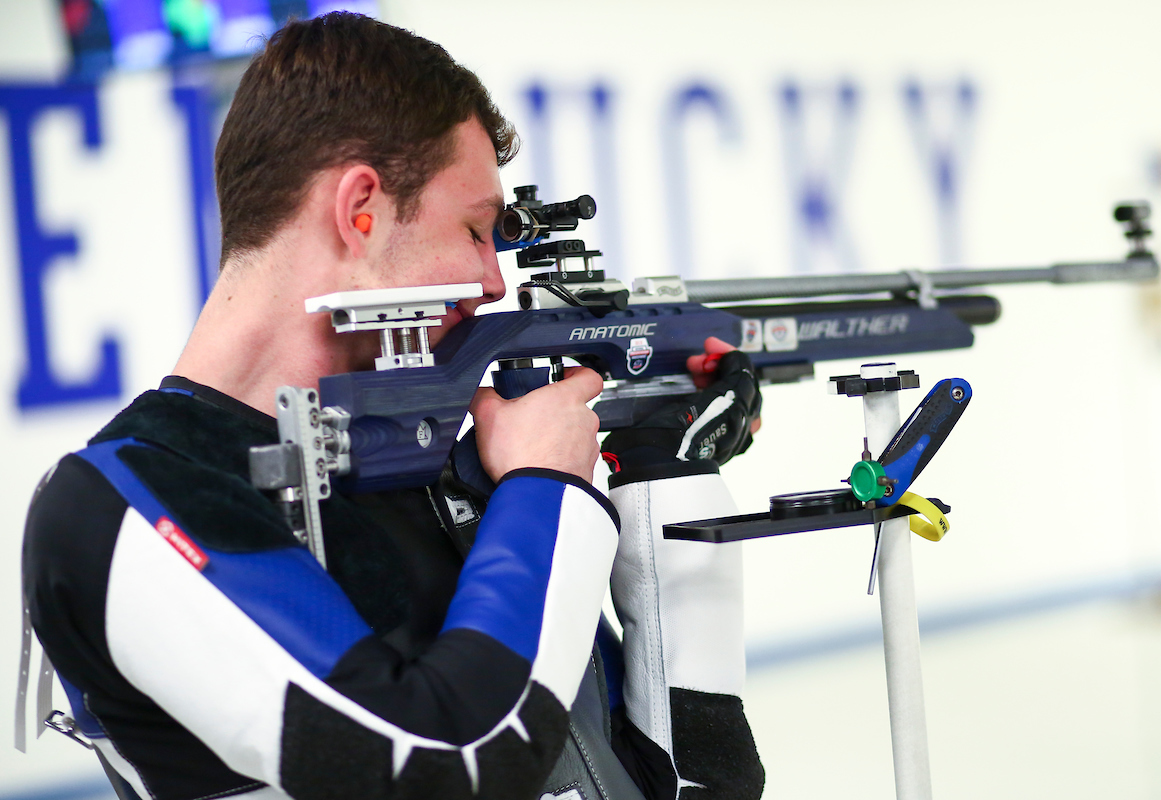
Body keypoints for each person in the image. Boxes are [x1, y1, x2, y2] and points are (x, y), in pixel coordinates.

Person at [22, 12, 765, 800]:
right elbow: (448, 764)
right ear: (361, 210)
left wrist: (661, 469)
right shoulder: (121, 508)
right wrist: (549, 490)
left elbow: (688, 780)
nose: (493, 282)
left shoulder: (427, 457)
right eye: (477, 230)